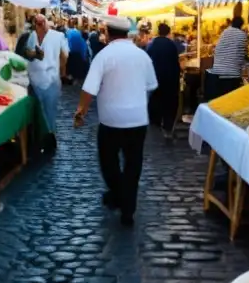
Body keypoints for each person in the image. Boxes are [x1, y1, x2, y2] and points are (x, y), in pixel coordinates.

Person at [74, 16, 158, 226]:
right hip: (137, 120)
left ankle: (118, 195)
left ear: (108, 33)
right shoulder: (142, 56)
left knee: (108, 162)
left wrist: (81, 112)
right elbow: (151, 85)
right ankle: (127, 209)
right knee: (133, 165)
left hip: (111, 120)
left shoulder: (104, 56)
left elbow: (88, 89)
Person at [27, 15, 69, 154]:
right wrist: (34, 54)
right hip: (34, 80)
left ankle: (50, 139)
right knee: (39, 111)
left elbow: (65, 55)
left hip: (51, 79)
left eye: (42, 22)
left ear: (47, 23)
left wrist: (62, 72)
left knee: (50, 110)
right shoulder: (32, 35)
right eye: (37, 23)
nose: (39, 25)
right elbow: (28, 52)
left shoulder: (58, 36)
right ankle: (41, 140)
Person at [147, 23, 181, 142]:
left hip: (156, 76)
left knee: (156, 98)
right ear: (168, 32)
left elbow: (148, 58)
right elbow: (176, 62)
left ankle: (155, 121)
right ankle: (167, 124)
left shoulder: (153, 43)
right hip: (170, 77)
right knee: (169, 102)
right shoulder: (171, 45)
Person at [205, 16, 249, 101]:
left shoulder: (225, 32)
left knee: (221, 101)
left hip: (217, 72)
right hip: (232, 74)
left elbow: (218, 48)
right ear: (241, 25)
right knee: (230, 101)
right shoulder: (242, 35)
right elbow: (243, 54)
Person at [66, 17, 89, 81]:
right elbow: (83, 47)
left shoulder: (68, 32)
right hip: (76, 55)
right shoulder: (77, 33)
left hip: (71, 54)